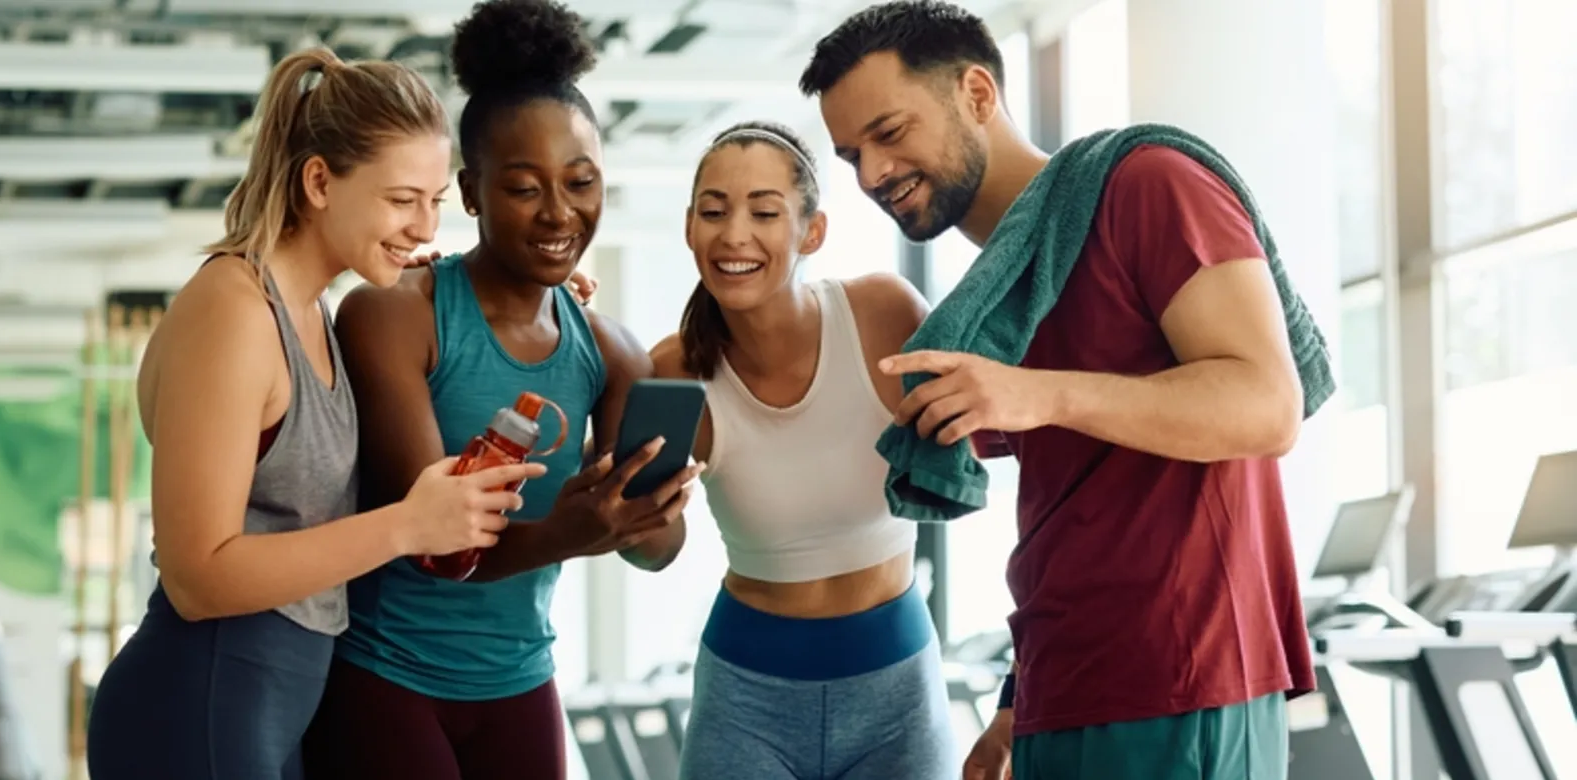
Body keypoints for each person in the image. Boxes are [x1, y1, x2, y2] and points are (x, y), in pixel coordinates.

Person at [799, 3, 1317, 780]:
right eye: (850, 154)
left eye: (890, 132)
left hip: (1184, 677)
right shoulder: (1007, 293)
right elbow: (1073, 514)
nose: (872, 173)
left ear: (977, 94)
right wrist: (1019, 698)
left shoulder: (1148, 184)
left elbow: (1267, 404)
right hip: (1061, 689)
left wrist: (1037, 395)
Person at [83, 46, 551, 780]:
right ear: (319, 181)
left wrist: (531, 289)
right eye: (403, 200)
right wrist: (406, 525)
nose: (426, 228)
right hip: (200, 699)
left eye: (433, 201)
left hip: (273, 701)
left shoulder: (314, 313)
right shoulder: (235, 311)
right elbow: (196, 576)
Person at [301, 1, 700, 778]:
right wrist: (574, 529)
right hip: (386, 678)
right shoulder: (394, 315)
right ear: (473, 192)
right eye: (523, 188)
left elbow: (657, 553)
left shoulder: (610, 349)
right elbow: (435, 544)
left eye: (581, 181)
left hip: (521, 683)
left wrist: (649, 503)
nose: (560, 212)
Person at [648, 120, 961, 780]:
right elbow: (648, 550)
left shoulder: (882, 313)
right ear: (689, 229)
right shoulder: (673, 372)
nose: (735, 234)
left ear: (811, 231)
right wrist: (639, 512)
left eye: (765, 211)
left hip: (897, 690)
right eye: (714, 211)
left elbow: (972, 439)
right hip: (745, 701)